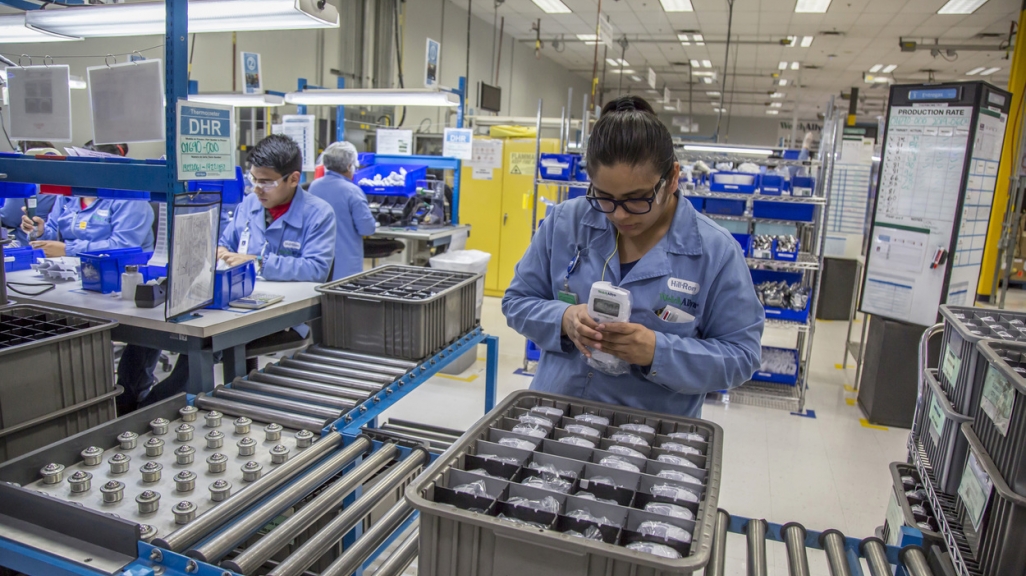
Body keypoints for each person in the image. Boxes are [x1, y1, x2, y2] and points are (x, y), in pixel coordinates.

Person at [502, 96, 764, 418]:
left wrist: (657, 351)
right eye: (605, 197)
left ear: (672, 178)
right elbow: (517, 301)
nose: (620, 215)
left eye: (636, 199)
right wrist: (564, 319)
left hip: (651, 435)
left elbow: (742, 356)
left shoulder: (716, 252)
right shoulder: (565, 223)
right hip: (555, 415)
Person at [121, 134, 337, 411]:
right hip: (230, 297)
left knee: (197, 350)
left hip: (278, 314)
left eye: (267, 182)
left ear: (293, 179)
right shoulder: (249, 204)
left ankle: (144, 414)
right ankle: (125, 402)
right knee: (146, 335)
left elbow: (316, 269)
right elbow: (227, 241)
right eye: (253, 179)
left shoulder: (319, 214)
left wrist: (258, 262)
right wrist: (217, 249)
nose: (258, 189)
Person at [308, 141, 377, 281]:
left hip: (317, 260)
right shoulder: (352, 191)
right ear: (349, 166)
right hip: (345, 265)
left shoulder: (314, 187)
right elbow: (367, 229)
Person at [1, 141, 60, 246]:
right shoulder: (55, 178)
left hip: (25, 241)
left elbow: (9, 218)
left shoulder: (26, 181)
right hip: (40, 236)